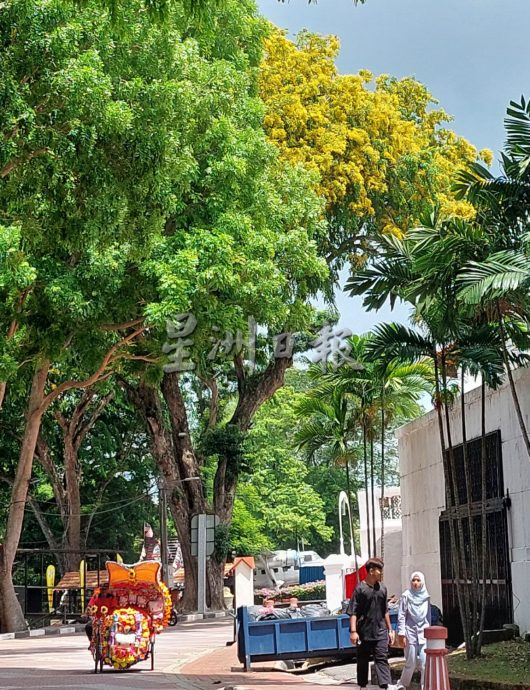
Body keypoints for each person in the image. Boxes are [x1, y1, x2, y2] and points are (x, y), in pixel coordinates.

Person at [347, 557, 396, 690]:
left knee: (382, 657)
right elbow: (353, 612)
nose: (381, 573)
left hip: (380, 630)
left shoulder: (383, 588)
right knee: (362, 659)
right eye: (379, 570)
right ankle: (363, 686)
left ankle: (386, 685)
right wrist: (353, 631)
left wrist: (390, 630)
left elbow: (385, 610)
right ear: (371, 571)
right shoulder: (360, 589)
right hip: (363, 631)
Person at [396, 572, 431, 690]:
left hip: (423, 632)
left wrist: (430, 632)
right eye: (413, 580)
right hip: (409, 632)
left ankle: (424, 685)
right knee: (411, 662)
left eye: (418, 580)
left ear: (422, 582)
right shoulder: (406, 596)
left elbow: (428, 616)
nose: (416, 583)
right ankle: (403, 684)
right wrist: (401, 634)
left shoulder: (426, 596)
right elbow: (401, 615)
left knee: (425, 662)